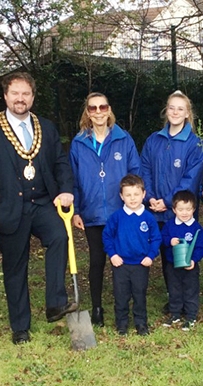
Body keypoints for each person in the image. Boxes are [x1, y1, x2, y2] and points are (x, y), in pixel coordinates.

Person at [0, 72, 76, 345]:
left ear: (32, 96)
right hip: (7, 207)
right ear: (5, 95)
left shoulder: (47, 128)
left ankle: (55, 303)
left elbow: (60, 163)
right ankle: (20, 327)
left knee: (59, 237)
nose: (20, 99)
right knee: (16, 267)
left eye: (26, 93)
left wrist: (65, 190)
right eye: (15, 93)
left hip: (42, 203)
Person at [70, 92, 141, 327]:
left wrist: (133, 204)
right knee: (97, 260)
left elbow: (135, 173)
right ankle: (97, 308)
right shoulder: (79, 142)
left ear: (109, 110)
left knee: (122, 261)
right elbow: (74, 180)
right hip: (91, 213)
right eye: (93, 108)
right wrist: (76, 210)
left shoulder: (124, 139)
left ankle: (124, 307)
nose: (98, 112)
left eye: (102, 107)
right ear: (87, 113)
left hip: (120, 213)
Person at [140, 90, 203, 313]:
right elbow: (144, 168)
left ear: (187, 113)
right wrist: (150, 197)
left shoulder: (195, 144)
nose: (175, 112)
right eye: (171, 107)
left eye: (180, 108)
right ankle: (174, 298)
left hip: (180, 212)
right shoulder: (153, 140)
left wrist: (168, 202)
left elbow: (191, 179)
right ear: (166, 111)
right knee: (166, 254)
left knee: (183, 257)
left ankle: (189, 302)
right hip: (154, 209)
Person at [102, 174, 162, 336]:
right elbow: (107, 236)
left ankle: (141, 323)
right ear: (121, 196)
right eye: (128, 195)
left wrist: (150, 255)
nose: (133, 198)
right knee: (121, 295)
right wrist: (113, 254)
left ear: (144, 194)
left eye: (136, 194)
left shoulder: (149, 218)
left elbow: (156, 238)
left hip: (141, 264)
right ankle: (121, 324)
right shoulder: (117, 217)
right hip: (120, 264)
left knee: (139, 294)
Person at [160, 190, 203, 331]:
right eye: (180, 209)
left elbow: (200, 247)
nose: (184, 213)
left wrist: (193, 260)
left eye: (188, 209)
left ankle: (191, 316)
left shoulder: (196, 228)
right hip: (172, 265)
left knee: (190, 290)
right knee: (174, 289)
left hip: (190, 266)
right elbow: (161, 239)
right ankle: (175, 314)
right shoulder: (169, 225)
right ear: (174, 209)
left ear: (194, 209)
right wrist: (169, 241)